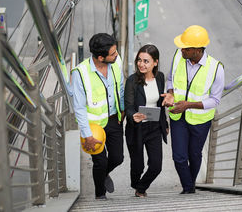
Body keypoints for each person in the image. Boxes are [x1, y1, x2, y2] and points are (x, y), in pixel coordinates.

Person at [162, 25, 224, 194]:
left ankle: (189, 188)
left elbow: (215, 100)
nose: (181, 49)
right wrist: (170, 94)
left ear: (196, 50)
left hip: (200, 120)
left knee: (194, 155)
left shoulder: (216, 68)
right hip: (177, 117)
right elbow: (170, 79)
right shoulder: (178, 56)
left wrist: (188, 105)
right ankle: (189, 189)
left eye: (185, 48)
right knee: (179, 157)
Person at [71, 33, 125, 199]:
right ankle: (100, 195)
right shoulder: (80, 73)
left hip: (114, 119)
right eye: (113, 54)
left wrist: (122, 110)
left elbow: (120, 87)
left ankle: (103, 174)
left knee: (117, 158)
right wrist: (86, 134)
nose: (117, 55)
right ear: (101, 57)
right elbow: (79, 107)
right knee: (100, 162)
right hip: (94, 126)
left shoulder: (116, 63)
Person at [124, 44, 169, 197]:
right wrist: (133, 116)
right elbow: (128, 106)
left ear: (155, 62)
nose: (141, 64)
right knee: (138, 166)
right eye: (139, 60)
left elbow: (160, 105)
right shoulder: (132, 81)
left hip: (154, 126)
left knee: (156, 166)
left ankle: (141, 188)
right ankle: (136, 184)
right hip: (136, 128)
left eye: (146, 61)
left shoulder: (160, 77)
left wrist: (165, 124)